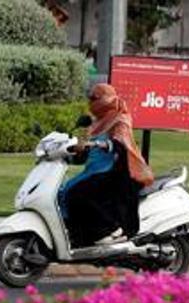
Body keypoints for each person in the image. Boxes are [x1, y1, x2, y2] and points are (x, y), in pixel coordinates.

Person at [60, 84, 154, 247]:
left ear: (106, 99)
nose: (91, 102)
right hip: (94, 171)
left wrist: (102, 144)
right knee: (65, 190)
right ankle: (78, 235)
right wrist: (73, 151)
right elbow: (85, 154)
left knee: (79, 194)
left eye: (94, 98)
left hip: (114, 171)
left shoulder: (120, 119)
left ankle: (109, 230)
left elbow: (121, 145)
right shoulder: (97, 123)